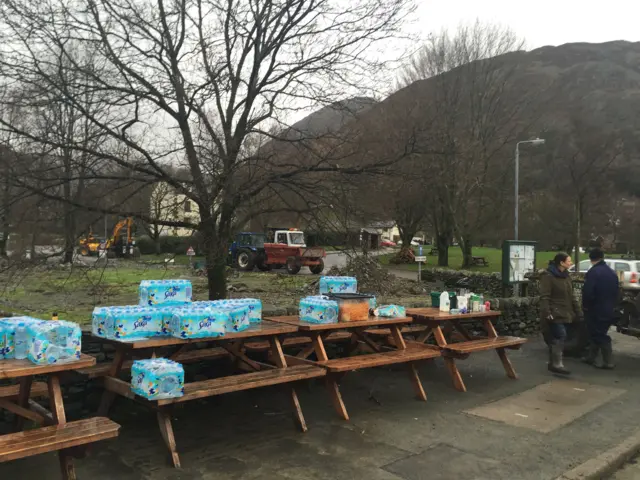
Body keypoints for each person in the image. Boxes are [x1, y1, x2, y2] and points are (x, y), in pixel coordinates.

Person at [540, 253, 581, 375]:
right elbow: (545, 296)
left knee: (557, 337)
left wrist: (578, 311)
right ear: (561, 263)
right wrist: (547, 312)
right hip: (554, 312)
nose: (571, 262)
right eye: (569, 261)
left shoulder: (566, 276)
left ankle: (553, 363)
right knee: (561, 335)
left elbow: (572, 295)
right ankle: (557, 364)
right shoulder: (548, 276)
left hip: (566, 311)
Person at [582, 248, 619, 369]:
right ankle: (590, 357)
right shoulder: (612, 272)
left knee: (598, 333)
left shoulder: (593, 272)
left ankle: (608, 362)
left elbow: (588, 292)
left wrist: (585, 306)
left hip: (596, 309)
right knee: (595, 332)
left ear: (591, 258)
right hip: (609, 308)